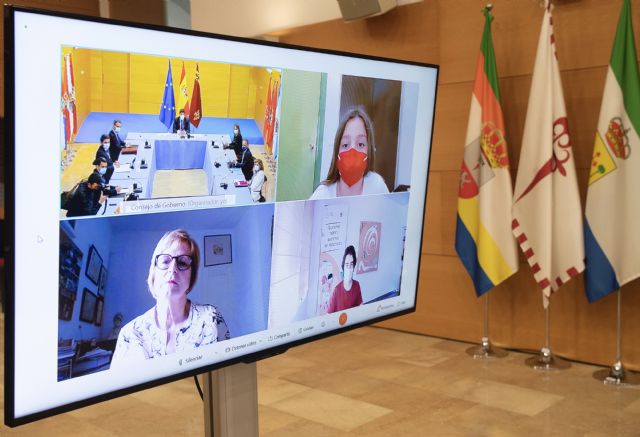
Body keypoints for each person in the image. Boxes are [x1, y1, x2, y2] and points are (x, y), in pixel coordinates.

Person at [111, 229, 230, 364]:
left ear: (192, 276)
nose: (172, 268)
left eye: (183, 262)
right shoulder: (130, 334)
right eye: (165, 261)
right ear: (154, 272)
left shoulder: (211, 319)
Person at [310, 107, 389, 199]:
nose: (352, 150)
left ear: (369, 150)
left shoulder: (377, 187)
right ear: (337, 152)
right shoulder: (323, 195)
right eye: (345, 145)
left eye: (360, 144)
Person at [327, 245, 363, 313]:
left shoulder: (357, 285)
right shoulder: (337, 290)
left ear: (354, 266)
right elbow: (328, 315)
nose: (349, 268)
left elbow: (360, 305)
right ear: (343, 267)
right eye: (347, 265)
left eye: (351, 264)